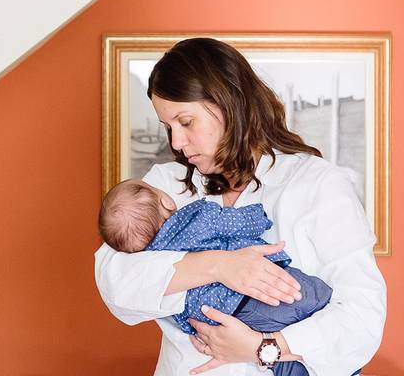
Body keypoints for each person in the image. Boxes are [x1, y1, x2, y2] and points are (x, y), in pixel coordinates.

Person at [94, 38, 386, 375]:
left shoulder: (317, 183)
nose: (175, 142)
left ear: (229, 103)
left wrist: (264, 347)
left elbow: (363, 318)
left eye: (186, 122)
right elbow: (115, 283)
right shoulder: (164, 185)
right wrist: (220, 266)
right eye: (168, 128)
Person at [99, 179, 334, 376]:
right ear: (166, 200)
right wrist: (259, 217)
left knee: (282, 363)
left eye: (186, 122)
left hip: (222, 321)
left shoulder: (152, 257)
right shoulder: (196, 217)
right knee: (317, 297)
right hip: (256, 298)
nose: (177, 140)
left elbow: (178, 312)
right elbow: (236, 222)